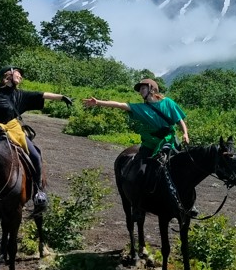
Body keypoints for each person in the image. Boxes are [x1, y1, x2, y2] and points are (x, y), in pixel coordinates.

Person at [82, 78, 197, 217]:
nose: (140, 91)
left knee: (185, 168)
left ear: (152, 89)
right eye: (140, 89)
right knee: (141, 169)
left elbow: (180, 121)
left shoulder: (168, 103)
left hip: (169, 141)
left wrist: (185, 133)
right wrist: (98, 102)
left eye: (143, 88)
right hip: (150, 143)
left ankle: (190, 203)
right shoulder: (140, 108)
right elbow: (119, 105)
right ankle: (138, 203)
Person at [0, 65, 73, 214]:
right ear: (8, 74)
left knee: (35, 154)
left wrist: (61, 97)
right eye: (19, 74)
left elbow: (41, 95)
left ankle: (39, 191)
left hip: (14, 128)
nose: (21, 77)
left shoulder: (19, 94)